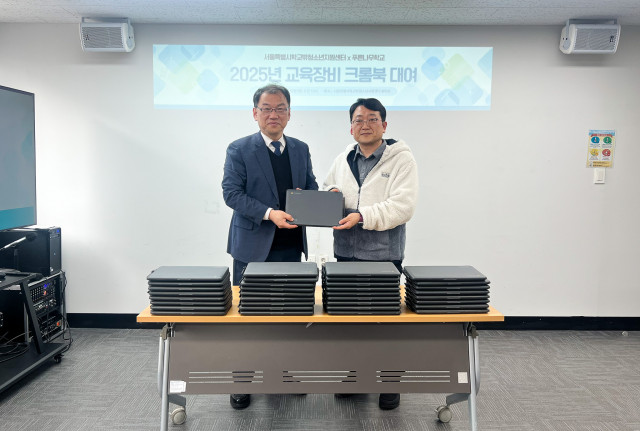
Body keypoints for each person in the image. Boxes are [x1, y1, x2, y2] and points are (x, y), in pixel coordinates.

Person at [222, 84, 318, 409]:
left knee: (289, 317)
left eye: (280, 108)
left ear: (289, 114)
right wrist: (268, 213)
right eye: (266, 108)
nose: (273, 114)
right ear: (255, 113)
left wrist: (324, 198)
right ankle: (242, 382)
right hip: (252, 249)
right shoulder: (239, 149)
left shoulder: (301, 149)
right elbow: (231, 194)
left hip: (291, 247)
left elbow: (311, 187)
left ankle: (285, 376)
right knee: (248, 318)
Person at [323, 97, 418, 410]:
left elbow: (402, 206)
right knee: (349, 324)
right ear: (351, 128)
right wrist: (332, 197)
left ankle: (389, 383)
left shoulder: (401, 159)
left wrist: (361, 215)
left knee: (385, 324)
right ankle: (355, 379)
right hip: (345, 256)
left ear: (384, 125)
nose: (364, 125)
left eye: (372, 119)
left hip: (383, 256)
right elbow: (328, 189)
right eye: (358, 120)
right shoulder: (342, 159)